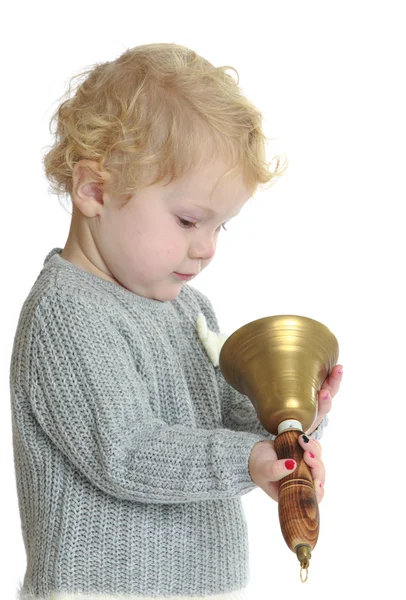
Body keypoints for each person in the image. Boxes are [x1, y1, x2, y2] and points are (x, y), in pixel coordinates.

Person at [9, 43, 343, 600]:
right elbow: (125, 450)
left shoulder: (188, 309)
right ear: (95, 190)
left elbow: (232, 422)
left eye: (221, 228)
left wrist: (294, 420)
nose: (207, 248)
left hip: (207, 584)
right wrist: (248, 460)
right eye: (189, 220)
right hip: (99, 590)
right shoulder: (67, 313)